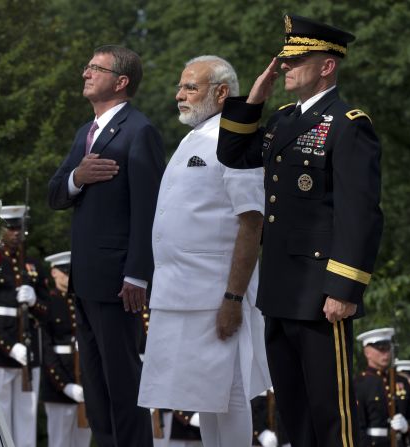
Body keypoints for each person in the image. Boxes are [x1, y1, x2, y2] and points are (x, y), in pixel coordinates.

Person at [216, 14, 384, 447]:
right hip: (279, 290)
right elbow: (234, 153)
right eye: (285, 60)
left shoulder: (349, 124)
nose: (285, 67)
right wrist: (253, 98)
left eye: (296, 60)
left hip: (320, 294)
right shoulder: (283, 120)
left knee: (332, 414)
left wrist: (344, 289)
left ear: (326, 66)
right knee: (292, 412)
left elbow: (359, 213)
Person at [138, 55, 270, 447]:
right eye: (180, 87)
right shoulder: (194, 136)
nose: (179, 95)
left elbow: (252, 222)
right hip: (181, 291)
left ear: (222, 92)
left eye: (190, 87)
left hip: (215, 294)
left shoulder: (234, 140)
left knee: (228, 396)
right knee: (203, 401)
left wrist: (233, 297)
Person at [48, 44, 165, 447]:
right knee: (95, 388)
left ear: (121, 81)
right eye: (87, 67)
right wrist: (77, 178)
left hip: (119, 284)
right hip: (84, 280)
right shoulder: (86, 132)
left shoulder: (139, 131)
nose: (86, 73)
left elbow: (148, 209)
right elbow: (55, 194)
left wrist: (137, 274)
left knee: (123, 385)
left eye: (96, 68)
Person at [0, 205, 48, 447]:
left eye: (20, 228)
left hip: (29, 352)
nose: (16, 232)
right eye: (10, 228)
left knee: (27, 420)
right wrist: (9, 347)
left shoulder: (33, 266)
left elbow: (49, 311)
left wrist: (35, 301)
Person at [40, 251, 91, 447]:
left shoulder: (82, 303)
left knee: (82, 442)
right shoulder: (48, 303)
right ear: (54, 273)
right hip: (58, 386)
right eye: (65, 272)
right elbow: (46, 349)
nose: (69, 277)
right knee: (60, 442)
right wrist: (65, 385)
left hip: (84, 384)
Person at [355, 328, 410, 447]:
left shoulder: (402, 381)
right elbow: (358, 429)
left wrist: (407, 426)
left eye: (388, 348)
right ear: (367, 352)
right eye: (380, 349)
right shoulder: (360, 384)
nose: (385, 353)